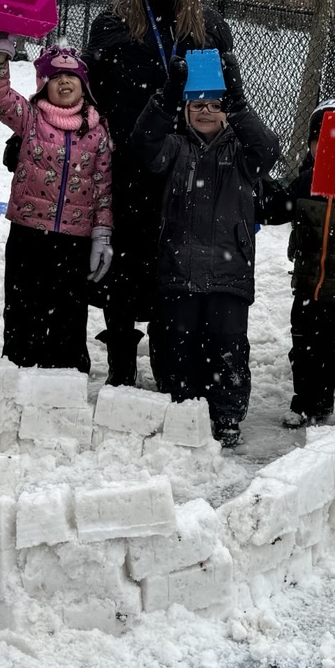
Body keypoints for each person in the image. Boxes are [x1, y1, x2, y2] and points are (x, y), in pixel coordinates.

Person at [84, 0, 235, 387]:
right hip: (126, 165)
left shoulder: (207, 29)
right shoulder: (111, 24)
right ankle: (122, 362)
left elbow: (222, 100)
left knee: (176, 265)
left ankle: (171, 361)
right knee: (123, 268)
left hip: (185, 167)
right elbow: (90, 95)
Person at [130, 50, 280, 446]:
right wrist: (165, 99)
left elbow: (268, 150)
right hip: (179, 270)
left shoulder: (242, 153)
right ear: (186, 109)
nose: (207, 112)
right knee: (179, 343)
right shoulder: (176, 148)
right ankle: (182, 405)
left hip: (229, 274)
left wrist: (240, 106)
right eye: (198, 105)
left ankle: (227, 415)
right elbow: (143, 144)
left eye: (216, 105)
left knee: (228, 346)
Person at [0, 39, 115, 370]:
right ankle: (18, 371)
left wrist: (102, 233)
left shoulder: (97, 131)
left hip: (74, 241)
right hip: (29, 236)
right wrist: (1, 51)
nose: (65, 82)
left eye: (72, 77)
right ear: (44, 85)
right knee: (23, 310)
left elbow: (102, 186)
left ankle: (65, 381)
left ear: (84, 85)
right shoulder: (30, 120)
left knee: (68, 316)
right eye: (56, 77)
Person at [260, 95, 335, 432]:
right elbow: (273, 209)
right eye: (321, 139)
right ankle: (310, 402)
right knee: (306, 350)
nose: (330, 147)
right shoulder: (306, 182)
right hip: (310, 285)